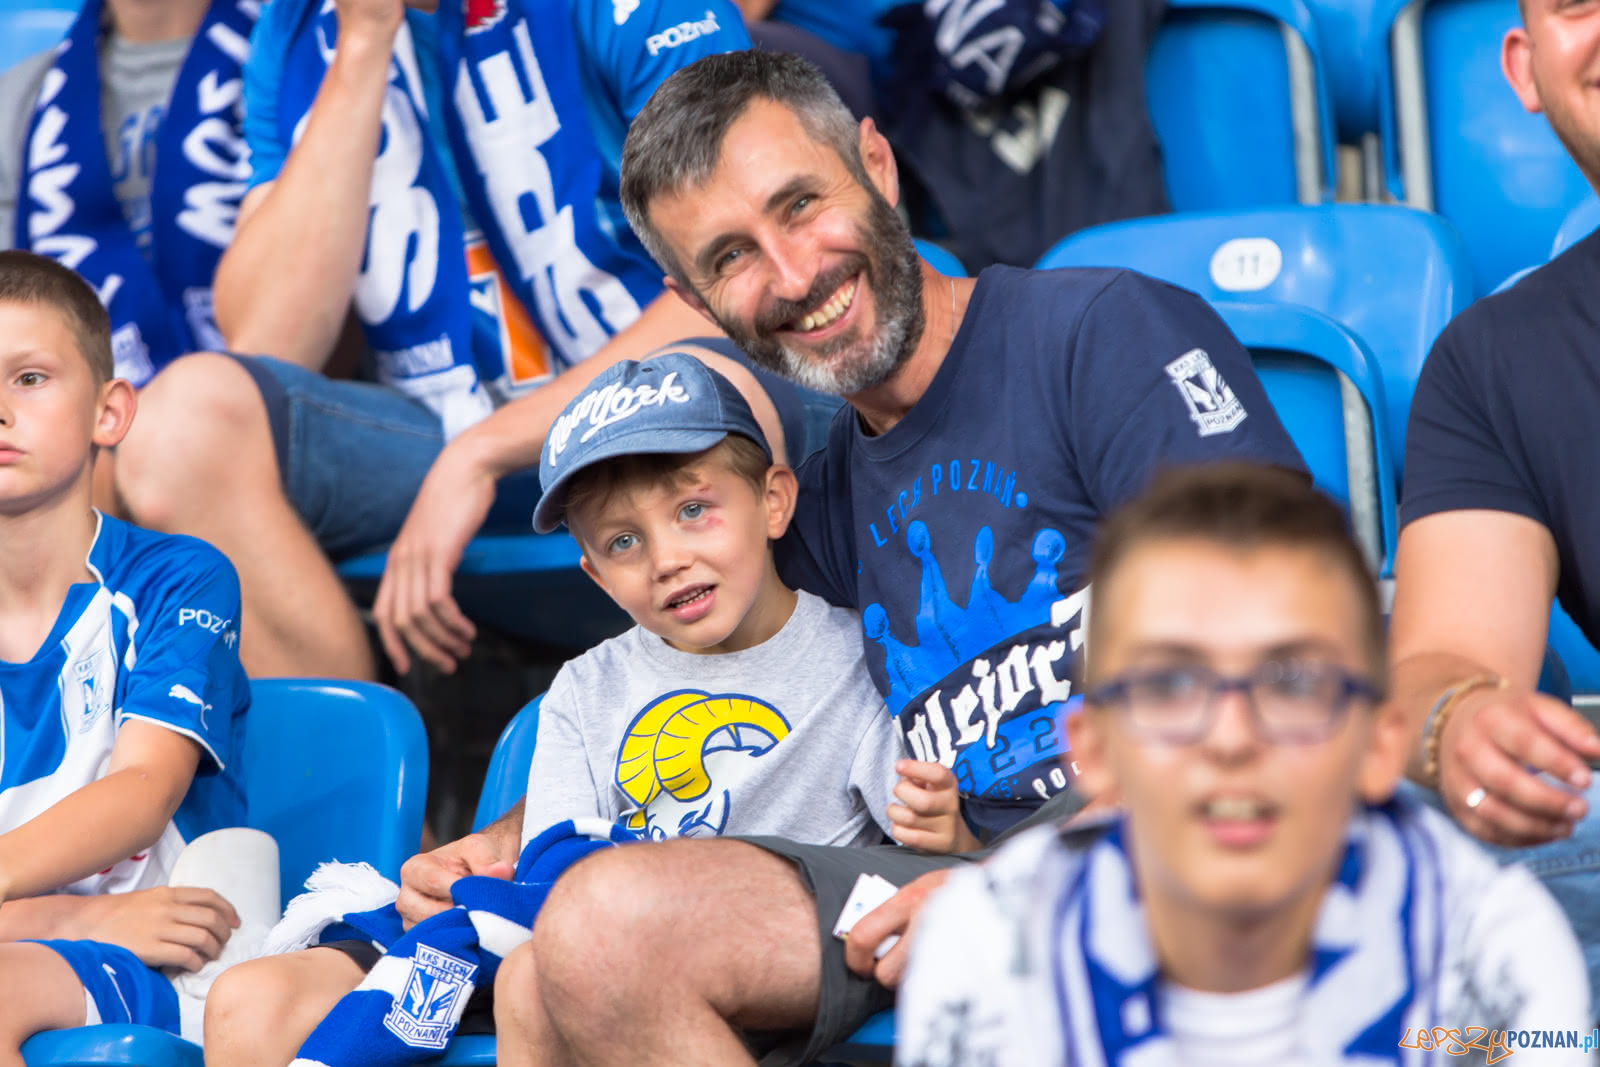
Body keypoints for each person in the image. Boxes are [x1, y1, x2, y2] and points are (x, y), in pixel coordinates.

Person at [365, 50, 1303, 1066]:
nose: (794, 274)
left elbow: (1276, 640)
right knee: (574, 941)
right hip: (920, 877)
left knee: (597, 929)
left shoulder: (1095, 332)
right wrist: (517, 834)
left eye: (802, 203)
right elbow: (692, 683)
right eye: (730, 257)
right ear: (693, 298)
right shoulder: (821, 500)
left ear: (878, 165)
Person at [202, 351, 957, 1065]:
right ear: (594, 575)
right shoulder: (586, 686)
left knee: (539, 975)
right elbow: (551, 871)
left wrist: (940, 821)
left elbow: (911, 850)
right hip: (545, 940)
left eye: (694, 509)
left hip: (720, 964)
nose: (666, 558)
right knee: (250, 998)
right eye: (625, 540)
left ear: (773, 500)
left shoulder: (861, 658)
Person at [106, 0, 762, 681]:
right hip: (439, 435)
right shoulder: (295, 30)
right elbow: (271, 340)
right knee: (178, 432)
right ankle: (339, 774)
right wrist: (362, 43)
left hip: (668, 406)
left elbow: (744, 288)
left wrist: (481, 452)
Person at [897, 461, 1591, 1066]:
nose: (1231, 738)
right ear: (1095, 754)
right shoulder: (985, 951)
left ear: (1380, 746)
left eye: (1291, 683)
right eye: (1170, 685)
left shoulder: (1494, 953)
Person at [1386, 0, 1600, 1010]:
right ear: (1526, 67)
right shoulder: (1492, 362)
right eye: (1573, 4)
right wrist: (1459, 721)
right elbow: (1446, 660)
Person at [0, 250, 251, 1054]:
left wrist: (75, 924)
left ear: (110, 412)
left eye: (29, 378)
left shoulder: (177, 578)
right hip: (57, 923)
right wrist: (67, 913)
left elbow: (144, 789)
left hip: (158, 953)